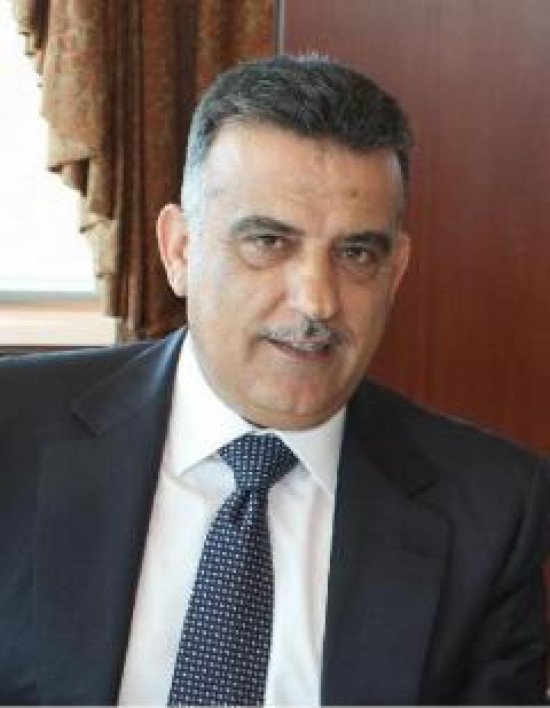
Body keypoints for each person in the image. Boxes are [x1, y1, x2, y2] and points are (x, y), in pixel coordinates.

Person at [0, 54, 548, 706]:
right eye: (268, 241)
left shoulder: (492, 511)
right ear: (179, 249)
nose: (317, 301)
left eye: (356, 253)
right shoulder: (14, 434)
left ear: (396, 272)